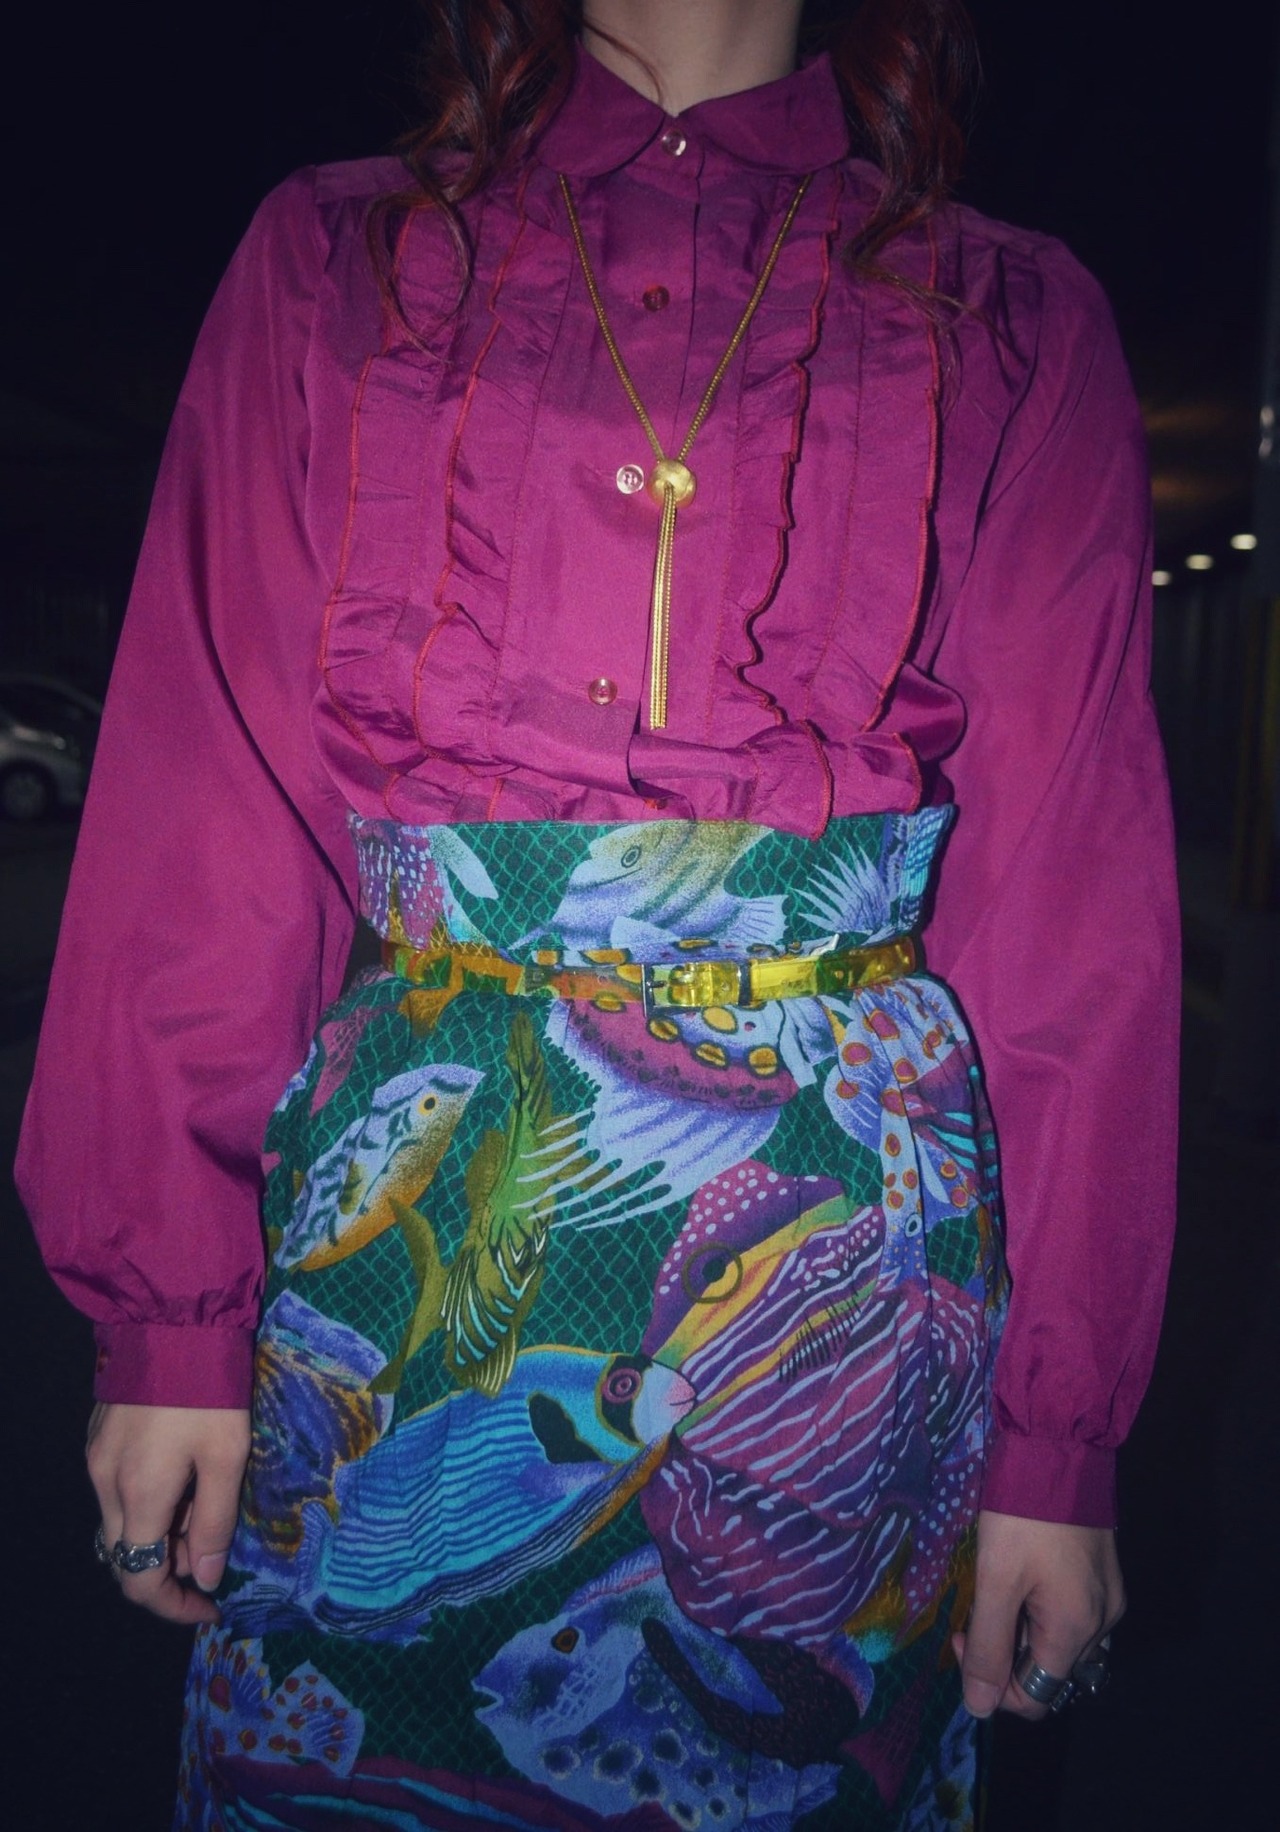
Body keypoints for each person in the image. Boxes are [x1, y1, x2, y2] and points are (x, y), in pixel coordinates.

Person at [17, 1, 1178, 1826]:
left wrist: (1057, 1432)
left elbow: (1073, 911)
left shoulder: (1015, 313)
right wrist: (169, 1314)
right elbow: (203, 795)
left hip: (841, 1304)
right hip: (399, 1259)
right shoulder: (334, 255)